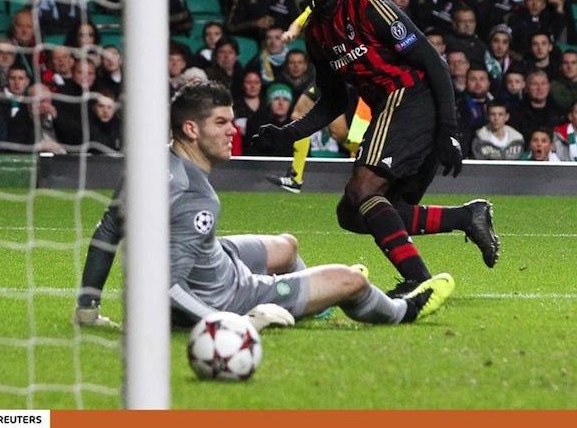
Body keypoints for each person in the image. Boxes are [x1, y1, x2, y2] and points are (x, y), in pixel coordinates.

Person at [76, 81, 454, 328]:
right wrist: (230, 323)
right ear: (191, 129)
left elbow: (109, 229)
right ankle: (406, 310)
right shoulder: (196, 197)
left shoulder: (148, 164)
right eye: (221, 123)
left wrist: (88, 308)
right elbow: (166, 286)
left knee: (286, 245)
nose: (232, 130)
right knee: (351, 279)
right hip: (229, 296)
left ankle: (315, 305)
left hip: (213, 260)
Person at [252, 0, 501, 298]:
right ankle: (466, 218)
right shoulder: (318, 33)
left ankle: (418, 281)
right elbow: (333, 100)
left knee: (362, 190)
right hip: (390, 110)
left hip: (413, 97)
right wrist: (288, 134)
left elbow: (433, 61)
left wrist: (449, 131)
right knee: (352, 213)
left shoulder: (367, 5)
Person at [550, 49, 577, 116]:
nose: (569, 67)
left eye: (573, 63)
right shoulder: (552, 88)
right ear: (561, 67)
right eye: (565, 63)